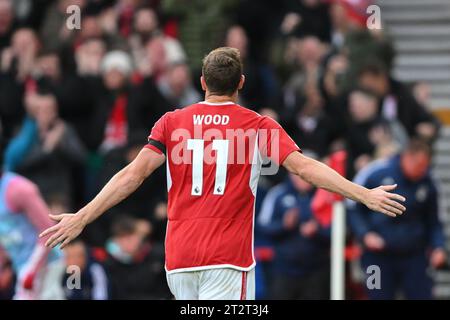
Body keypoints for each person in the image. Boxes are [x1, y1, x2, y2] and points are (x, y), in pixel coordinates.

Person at [40, 47, 406, 300]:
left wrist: (82, 216)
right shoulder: (257, 125)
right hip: (227, 258)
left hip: (179, 260)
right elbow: (304, 167)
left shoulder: (172, 123)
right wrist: (364, 193)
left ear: (202, 81)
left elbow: (131, 176)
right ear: (241, 83)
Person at [347, 139, 447, 299]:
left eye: (425, 165)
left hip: (414, 254)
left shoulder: (428, 180)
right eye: (418, 164)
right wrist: (365, 234)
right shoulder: (376, 172)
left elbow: (434, 219)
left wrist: (438, 246)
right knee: (376, 296)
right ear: (407, 157)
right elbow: (352, 208)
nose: (421, 169)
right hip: (377, 256)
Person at [258, 173, 330, 299]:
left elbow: (338, 231)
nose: (302, 180)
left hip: (316, 268)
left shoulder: (324, 195)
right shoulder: (278, 193)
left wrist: (317, 230)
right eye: (298, 176)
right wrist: (284, 225)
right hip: (284, 269)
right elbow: (262, 225)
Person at [0, 170, 65, 299]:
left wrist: (31, 270)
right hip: (21, 264)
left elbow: (48, 230)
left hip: (47, 263)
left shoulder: (19, 189)